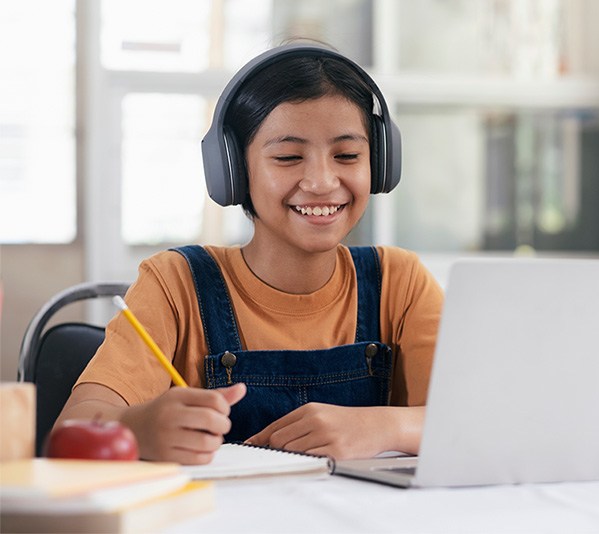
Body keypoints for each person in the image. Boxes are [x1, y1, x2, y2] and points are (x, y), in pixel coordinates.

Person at [55, 43, 444, 465]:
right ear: (233, 171)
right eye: (288, 157)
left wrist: (386, 426)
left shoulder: (399, 282)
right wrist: (140, 429)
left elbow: (477, 422)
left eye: (347, 155)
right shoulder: (175, 283)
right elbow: (69, 433)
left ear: (381, 163)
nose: (320, 181)